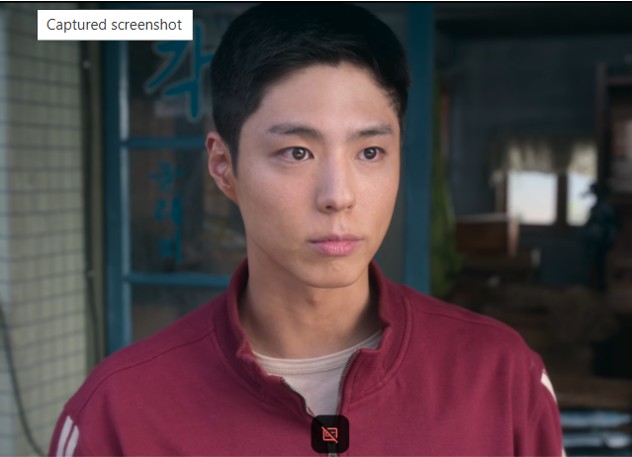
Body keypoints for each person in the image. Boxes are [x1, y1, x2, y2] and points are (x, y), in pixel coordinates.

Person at [49, 3, 563, 456]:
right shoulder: (120, 413)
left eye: (370, 152)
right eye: (297, 152)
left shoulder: (501, 378)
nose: (338, 195)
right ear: (224, 167)